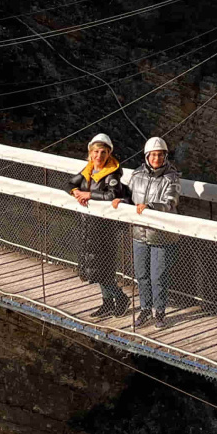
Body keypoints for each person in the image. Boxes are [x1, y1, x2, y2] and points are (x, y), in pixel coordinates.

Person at [113, 136, 182, 328]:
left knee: (158, 277)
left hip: (161, 236)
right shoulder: (137, 174)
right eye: (153, 155)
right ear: (146, 156)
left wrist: (150, 206)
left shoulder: (172, 177)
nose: (156, 158)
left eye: (160, 155)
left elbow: (170, 203)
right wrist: (121, 200)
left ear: (165, 156)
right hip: (139, 233)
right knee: (141, 275)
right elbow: (130, 196)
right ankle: (145, 309)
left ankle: (159, 313)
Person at [70, 133, 128, 318]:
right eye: (96, 152)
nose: (99, 156)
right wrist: (76, 191)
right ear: (90, 153)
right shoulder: (88, 170)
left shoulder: (112, 173)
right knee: (95, 266)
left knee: (103, 268)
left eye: (103, 152)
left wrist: (89, 195)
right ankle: (108, 303)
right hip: (88, 224)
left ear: (109, 154)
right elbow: (70, 183)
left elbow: (112, 195)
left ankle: (121, 298)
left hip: (104, 227)